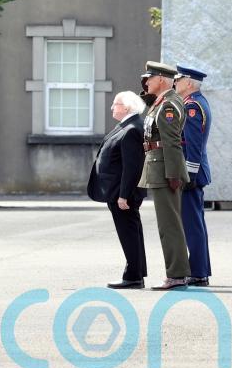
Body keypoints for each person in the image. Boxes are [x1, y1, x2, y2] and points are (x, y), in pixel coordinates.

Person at [138, 61, 191, 290]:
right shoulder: (160, 102)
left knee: (169, 225)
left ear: (161, 79)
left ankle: (177, 274)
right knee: (167, 224)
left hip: (164, 169)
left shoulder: (169, 105)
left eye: (149, 78)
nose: (145, 83)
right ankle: (176, 272)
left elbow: (171, 142)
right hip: (159, 167)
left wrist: (172, 174)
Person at [87, 92, 148, 289]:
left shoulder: (132, 129)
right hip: (117, 191)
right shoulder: (126, 125)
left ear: (127, 107)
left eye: (116, 104)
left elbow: (132, 166)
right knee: (131, 232)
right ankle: (136, 273)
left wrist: (124, 195)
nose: (112, 107)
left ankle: (133, 277)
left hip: (122, 193)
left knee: (128, 233)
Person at [174, 65, 212, 287]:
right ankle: (201, 269)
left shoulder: (192, 107)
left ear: (189, 83)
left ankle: (198, 272)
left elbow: (193, 145)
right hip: (195, 172)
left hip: (192, 173)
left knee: (192, 225)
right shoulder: (197, 102)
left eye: (179, 80)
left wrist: (188, 174)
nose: (175, 83)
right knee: (196, 223)